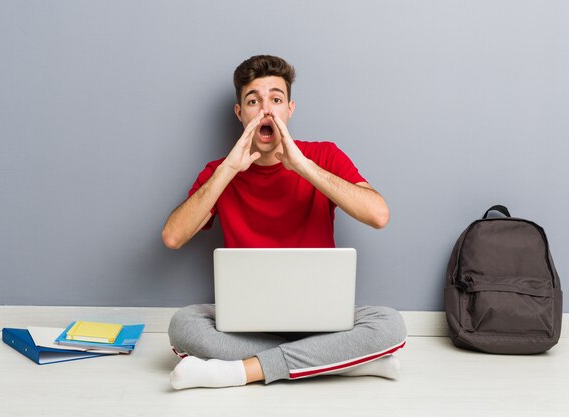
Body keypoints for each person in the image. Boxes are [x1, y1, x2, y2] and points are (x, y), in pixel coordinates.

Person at [162, 55, 407, 390]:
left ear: (289, 109)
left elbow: (378, 215)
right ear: (240, 113)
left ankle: (239, 372)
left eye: (276, 99)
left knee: (390, 324)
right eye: (253, 101)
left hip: (321, 321)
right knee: (183, 325)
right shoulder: (219, 172)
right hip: (247, 324)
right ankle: (339, 362)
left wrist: (303, 166)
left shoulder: (323, 156)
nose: (266, 110)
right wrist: (229, 170)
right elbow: (172, 237)